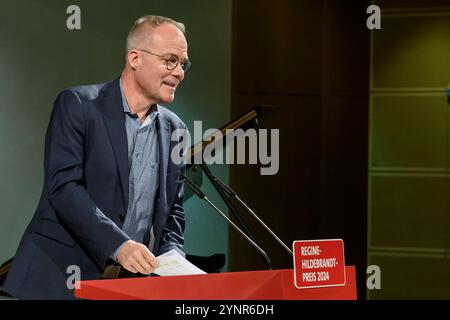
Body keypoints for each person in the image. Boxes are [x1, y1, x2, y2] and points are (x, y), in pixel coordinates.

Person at [3, 15, 191, 299]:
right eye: (170, 60)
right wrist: (119, 245)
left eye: (183, 63)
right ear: (135, 58)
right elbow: (64, 189)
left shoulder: (175, 128)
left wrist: (173, 257)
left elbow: (173, 208)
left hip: (125, 286)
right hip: (59, 278)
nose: (179, 72)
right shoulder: (78, 105)